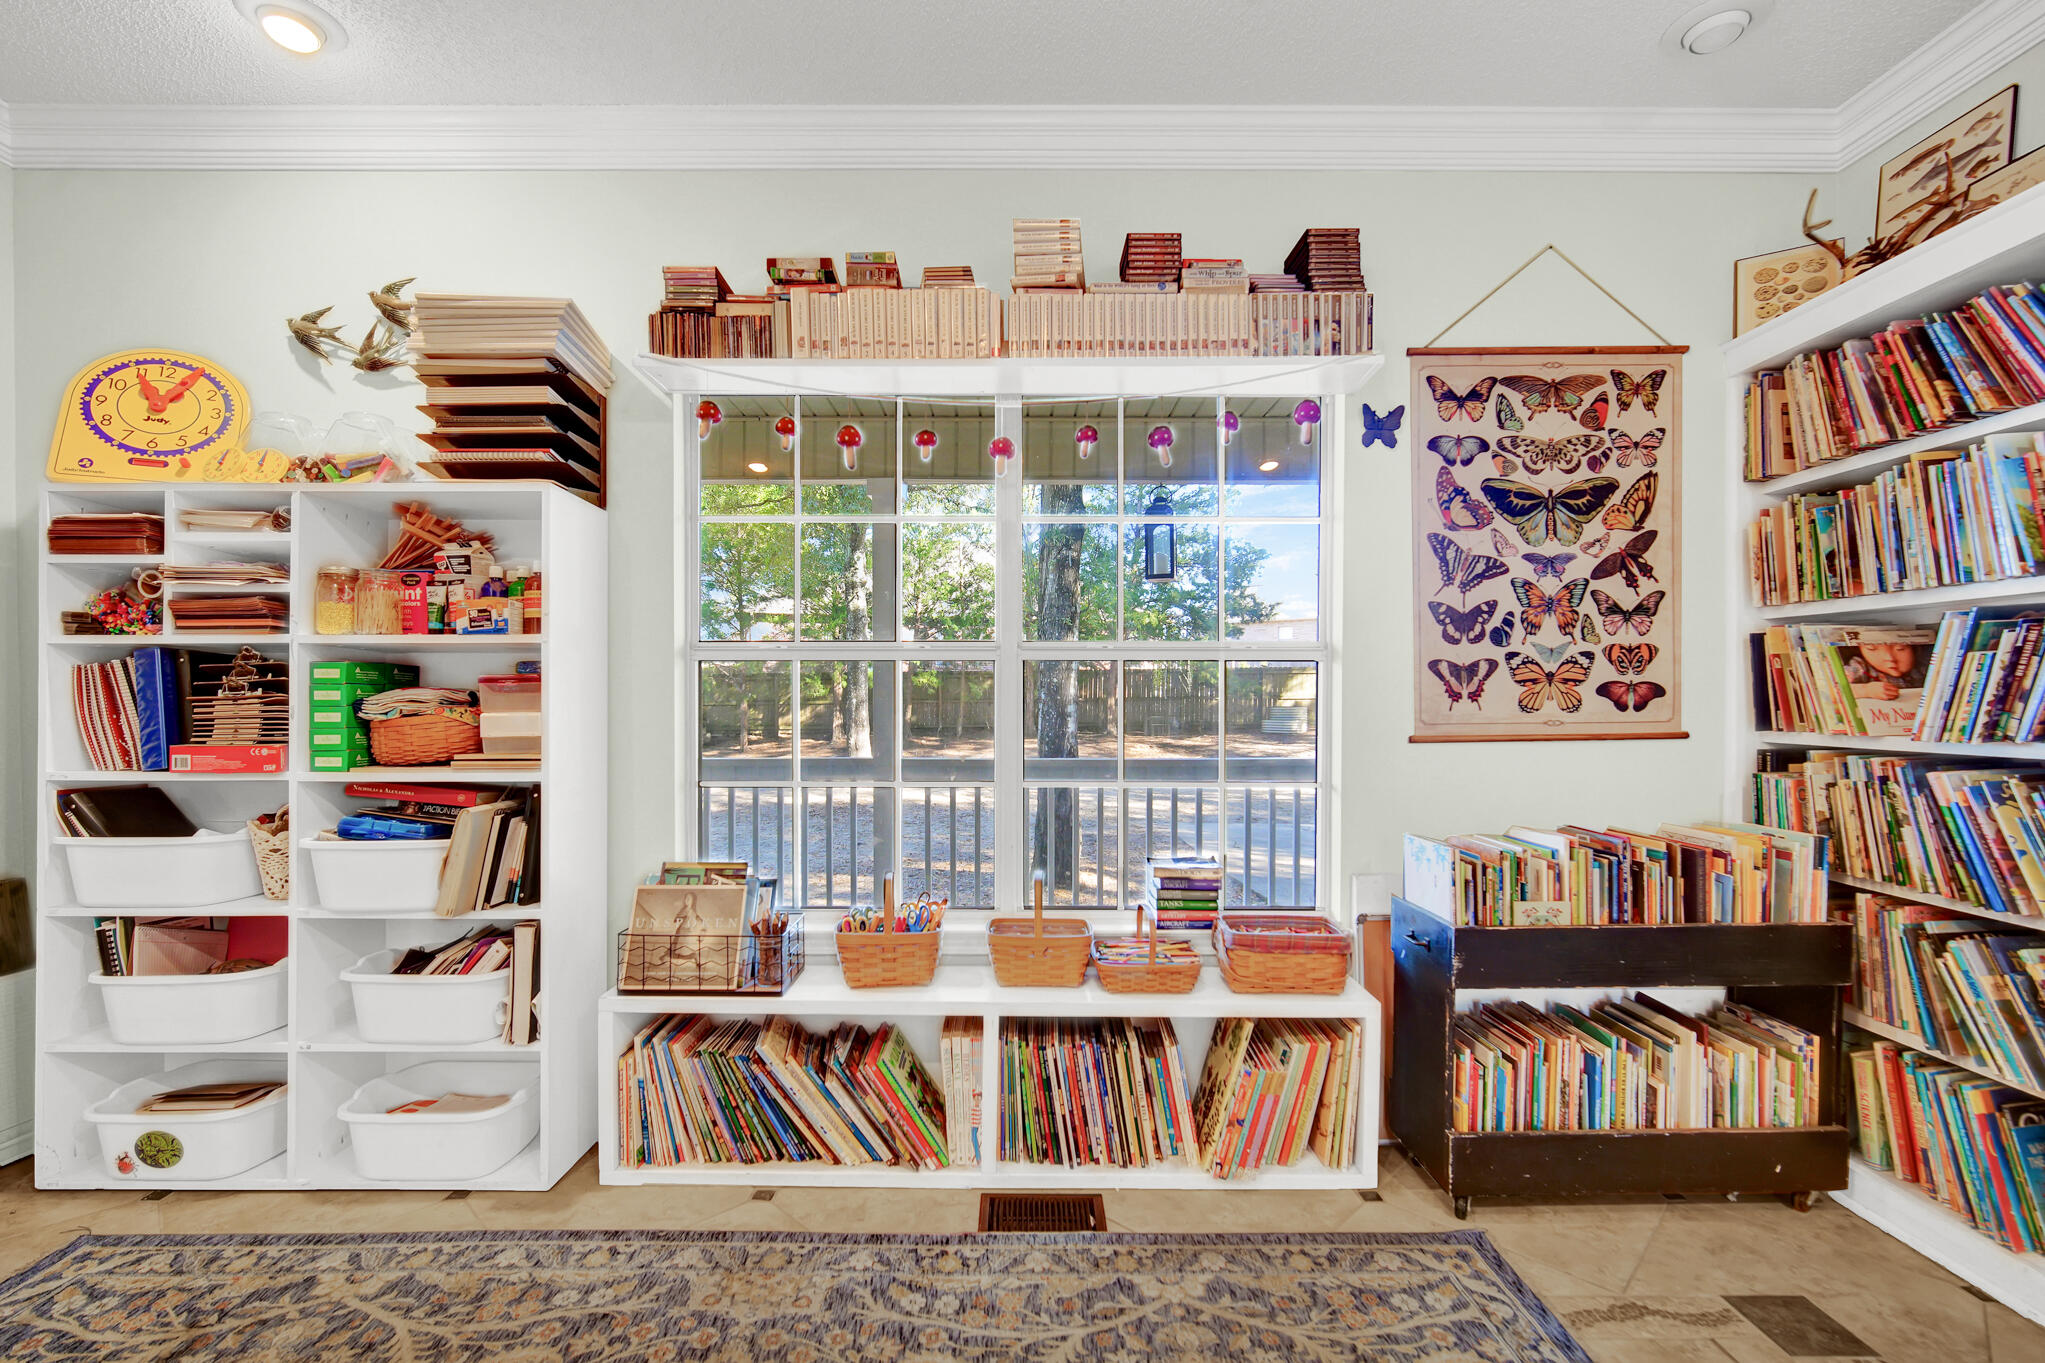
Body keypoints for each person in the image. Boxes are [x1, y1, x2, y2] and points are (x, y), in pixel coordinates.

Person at [1844, 638, 1926, 701]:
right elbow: (1838, 690)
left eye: (1900, 648)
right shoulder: (1860, 667)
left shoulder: (1922, 666)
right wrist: (1867, 690)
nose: (1889, 658)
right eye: (1872, 649)